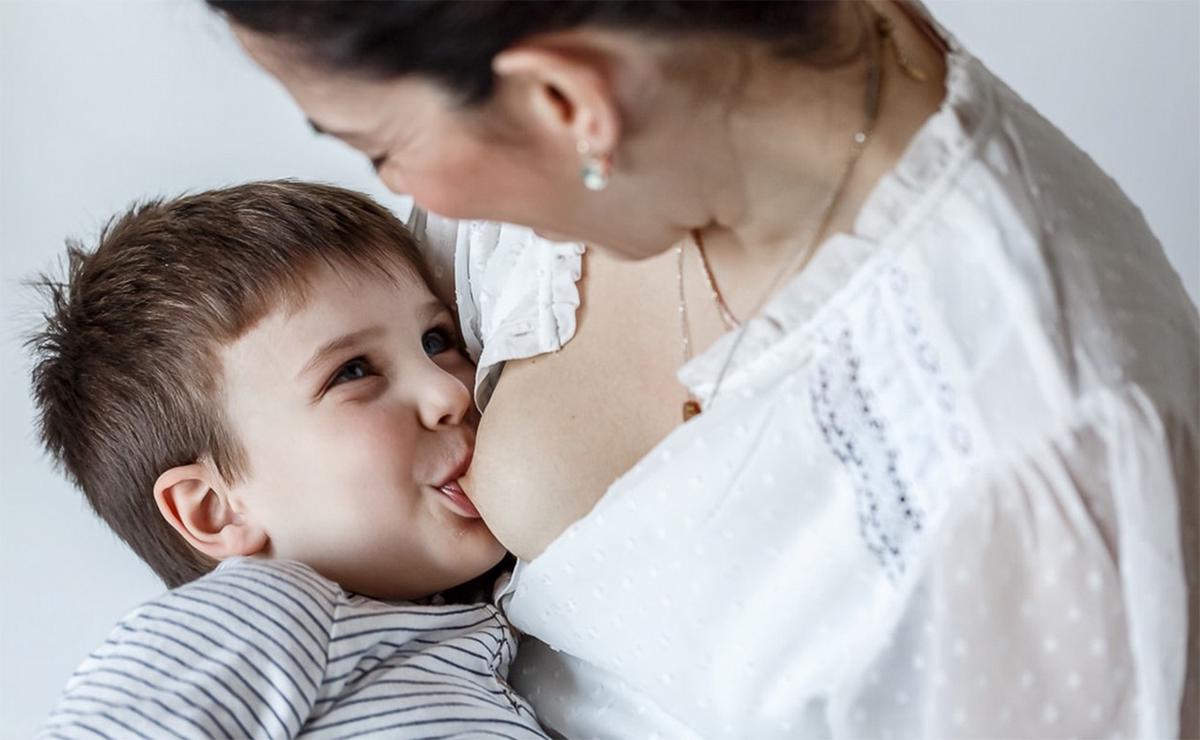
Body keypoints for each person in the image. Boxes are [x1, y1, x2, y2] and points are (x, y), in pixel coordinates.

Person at [208, 1, 1200, 737]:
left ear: (569, 101)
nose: (400, 196)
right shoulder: (584, 160)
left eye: (381, 148)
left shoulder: (1034, 459)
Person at [29, 181, 547, 739]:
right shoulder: (262, 612)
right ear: (215, 509)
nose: (449, 392)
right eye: (352, 372)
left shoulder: (479, 630)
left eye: (436, 340)